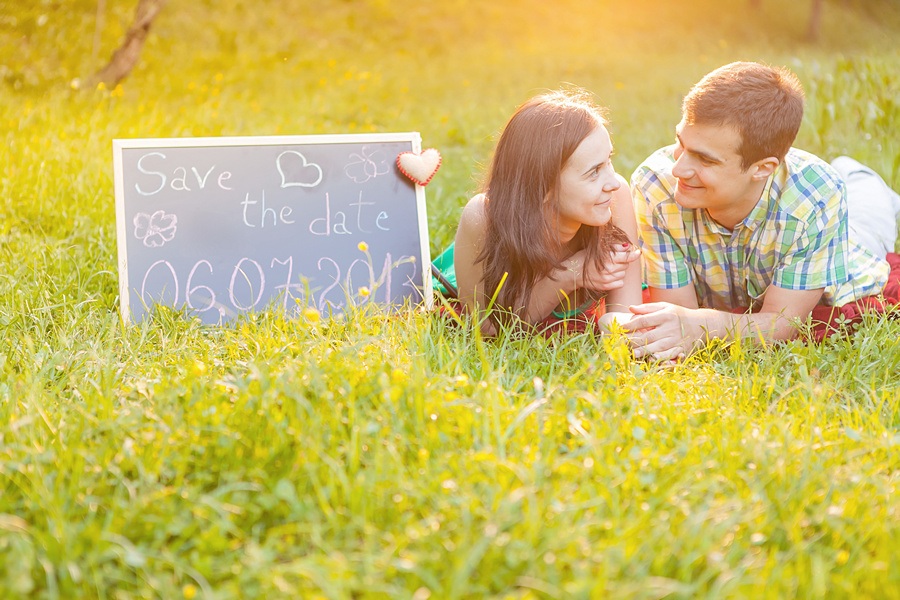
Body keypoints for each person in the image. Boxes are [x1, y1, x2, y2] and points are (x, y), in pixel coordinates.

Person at [625, 61, 900, 361]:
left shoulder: (818, 196)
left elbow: (783, 323)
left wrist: (704, 326)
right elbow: (677, 319)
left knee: (868, 210)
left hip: (850, 252)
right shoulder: (655, 184)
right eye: (680, 143)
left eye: (704, 159)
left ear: (763, 169)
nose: (678, 168)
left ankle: (857, 172)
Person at [449, 89, 644, 335]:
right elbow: (487, 330)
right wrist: (570, 273)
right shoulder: (482, 217)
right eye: (594, 172)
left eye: (609, 160)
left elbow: (626, 317)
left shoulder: (615, 197)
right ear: (545, 188)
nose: (612, 182)